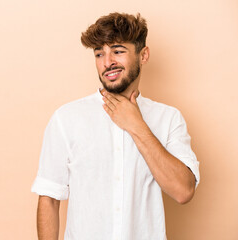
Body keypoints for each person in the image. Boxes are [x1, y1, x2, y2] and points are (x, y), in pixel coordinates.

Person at [31, 12, 200, 240]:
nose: (107, 62)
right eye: (99, 53)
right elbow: (49, 199)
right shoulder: (66, 119)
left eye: (118, 51)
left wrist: (136, 125)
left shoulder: (169, 119)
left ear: (144, 55)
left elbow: (184, 191)